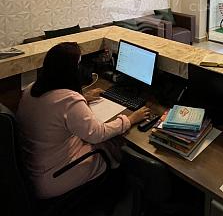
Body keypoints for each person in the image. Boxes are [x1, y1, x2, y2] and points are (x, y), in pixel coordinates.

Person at [16, 42, 151, 199]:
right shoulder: (69, 100)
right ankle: (118, 192)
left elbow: (55, 108)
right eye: (79, 64)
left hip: (32, 171)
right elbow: (97, 134)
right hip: (54, 176)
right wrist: (130, 119)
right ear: (70, 71)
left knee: (102, 141)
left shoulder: (31, 89)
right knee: (111, 145)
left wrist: (83, 97)